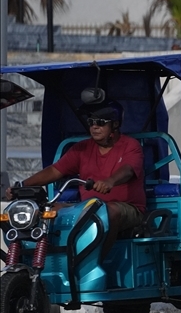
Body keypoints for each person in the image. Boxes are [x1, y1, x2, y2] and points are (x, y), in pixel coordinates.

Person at [7, 101, 146, 255]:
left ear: (115, 124)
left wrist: (110, 181)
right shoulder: (82, 148)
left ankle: (94, 260)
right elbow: (55, 171)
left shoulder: (131, 146)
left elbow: (128, 170)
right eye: (91, 122)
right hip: (87, 206)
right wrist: (21, 185)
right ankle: (39, 263)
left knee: (108, 211)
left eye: (100, 123)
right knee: (42, 213)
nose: (94, 127)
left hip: (126, 208)